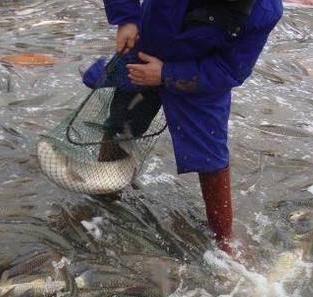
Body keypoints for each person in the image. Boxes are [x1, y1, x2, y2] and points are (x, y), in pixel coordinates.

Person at [92, 0, 283, 255]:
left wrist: (167, 74)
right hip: (149, 47)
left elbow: (231, 69)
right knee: (121, 126)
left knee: (211, 156)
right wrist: (126, 18)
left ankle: (224, 240)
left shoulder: (265, 10)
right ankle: (103, 203)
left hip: (202, 75)